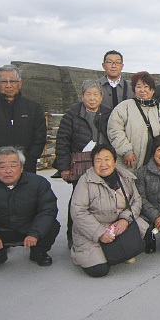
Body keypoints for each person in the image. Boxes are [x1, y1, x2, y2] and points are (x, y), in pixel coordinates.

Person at [0, 146, 60, 274]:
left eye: (13, 165)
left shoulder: (39, 183)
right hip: (0, 229)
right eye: (2, 166)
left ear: (21, 167)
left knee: (52, 226)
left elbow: (48, 210)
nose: (8, 170)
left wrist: (35, 233)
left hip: (28, 227)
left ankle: (38, 253)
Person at [70, 144, 149, 277]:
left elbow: (136, 201)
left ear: (115, 161)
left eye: (107, 159)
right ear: (92, 163)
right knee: (100, 270)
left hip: (118, 225)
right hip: (93, 230)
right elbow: (78, 212)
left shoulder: (125, 177)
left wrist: (125, 219)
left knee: (145, 228)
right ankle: (80, 253)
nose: (103, 164)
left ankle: (117, 251)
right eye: (98, 160)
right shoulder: (85, 181)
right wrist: (100, 233)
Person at [54, 79, 112, 247]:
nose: (92, 98)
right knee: (78, 201)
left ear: (101, 96)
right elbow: (62, 141)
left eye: (95, 94)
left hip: (103, 164)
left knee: (102, 200)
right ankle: (73, 236)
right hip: (80, 165)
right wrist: (64, 168)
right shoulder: (72, 114)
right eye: (88, 94)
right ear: (82, 96)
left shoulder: (108, 113)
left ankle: (102, 233)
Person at [0, 65, 47, 180]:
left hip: (26, 168)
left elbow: (40, 137)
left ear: (20, 83)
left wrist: (28, 159)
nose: (8, 85)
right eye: (4, 81)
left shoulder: (33, 108)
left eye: (13, 81)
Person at [108, 71, 160, 172]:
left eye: (146, 87)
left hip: (154, 160)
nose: (142, 90)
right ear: (134, 89)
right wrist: (126, 151)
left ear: (152, 90)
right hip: (130, 160)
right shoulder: (124, 107)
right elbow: (115, 130)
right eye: (138, 86)